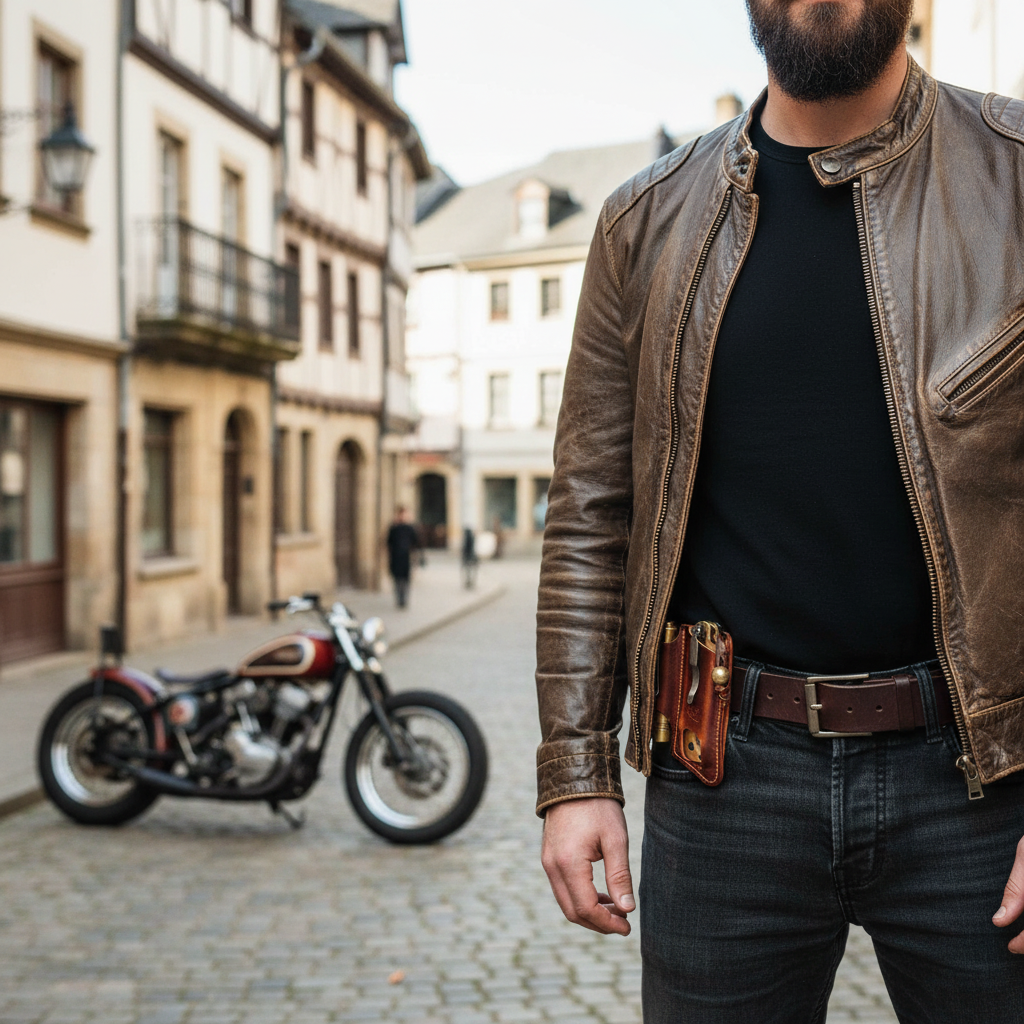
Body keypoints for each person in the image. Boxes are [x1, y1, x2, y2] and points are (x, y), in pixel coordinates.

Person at [535, 2, 1024, 1021]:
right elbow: (590, 511)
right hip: (723, 780)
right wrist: (575, 773)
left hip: (983, 779)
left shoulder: (1014, 171)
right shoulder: (644, 220)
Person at [385, 506, 419, 608]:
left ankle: (404, 599)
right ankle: (399, 599)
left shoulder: (410, 528)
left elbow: (415, 542)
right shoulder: (394, 528)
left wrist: (415, 557)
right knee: (397, 579)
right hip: (395, 558)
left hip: (406, 558)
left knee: (405, 579)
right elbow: (388, 542)